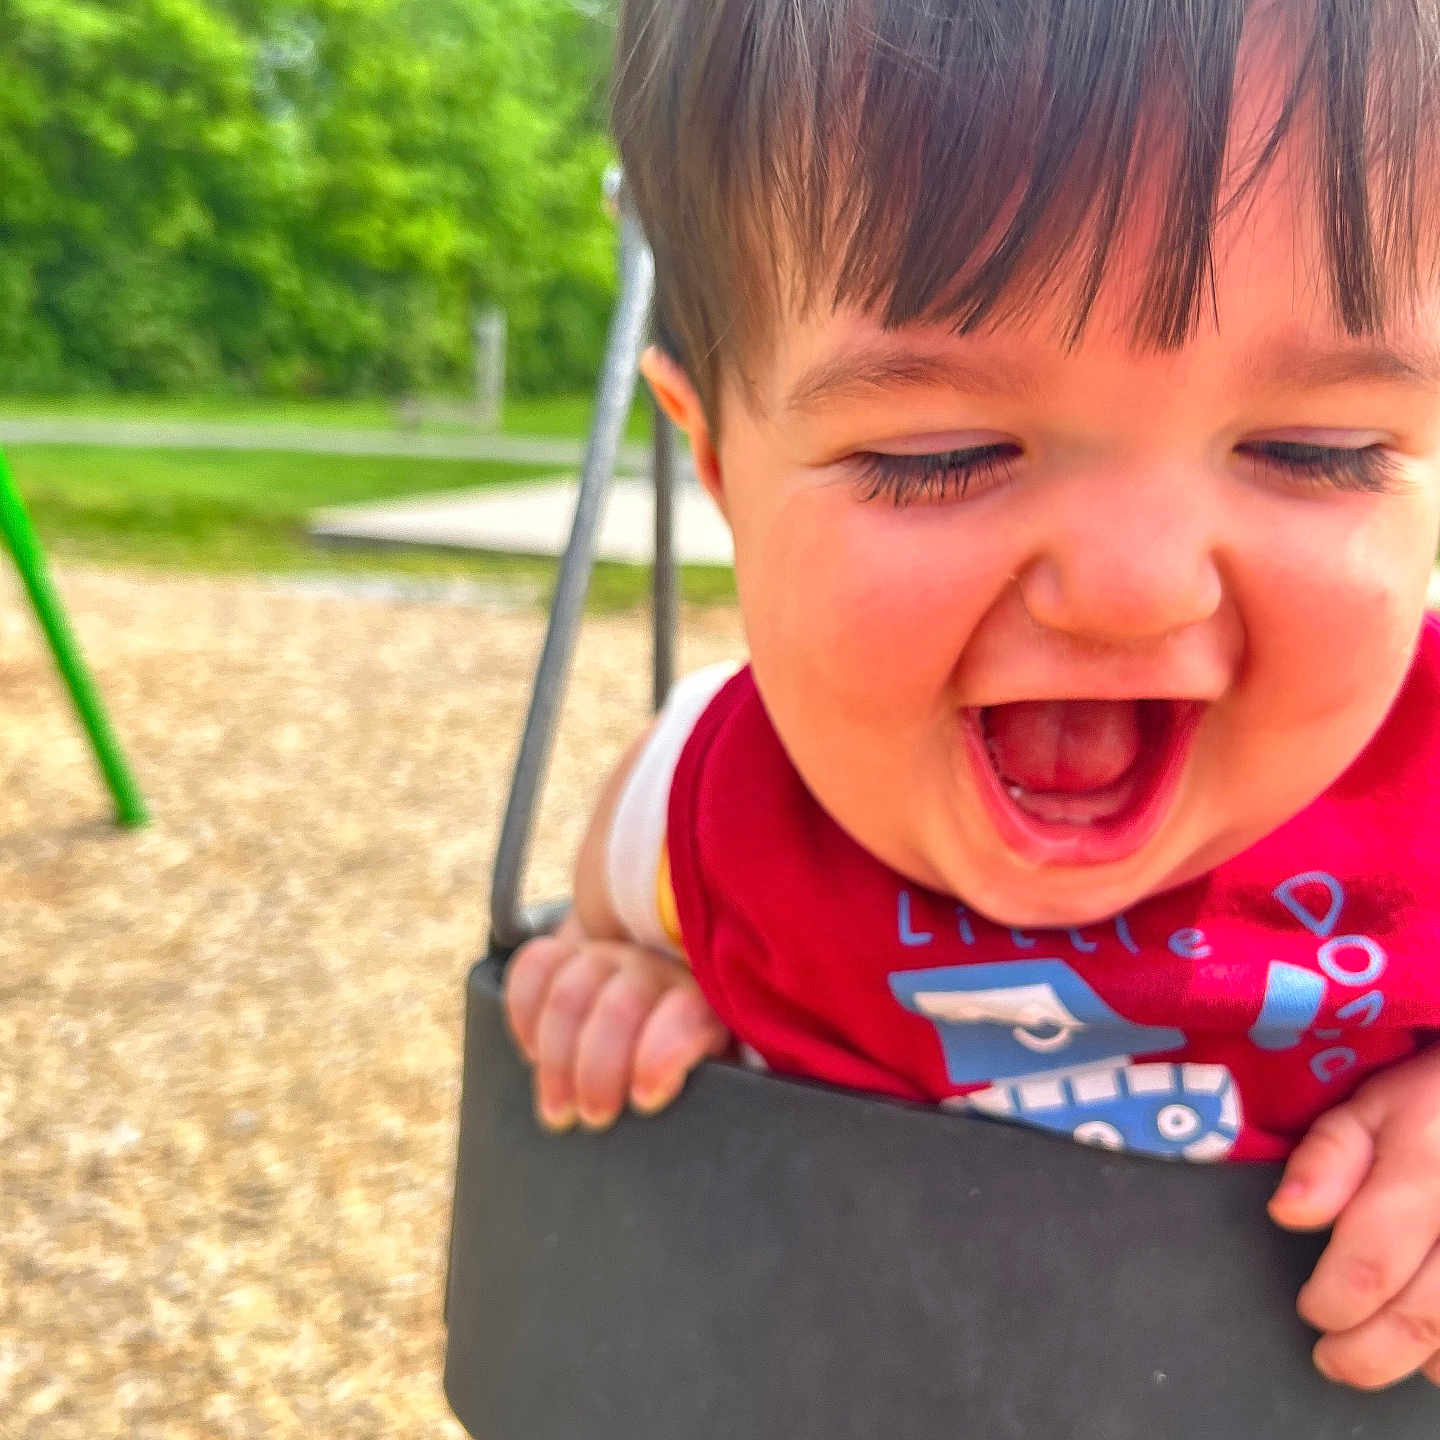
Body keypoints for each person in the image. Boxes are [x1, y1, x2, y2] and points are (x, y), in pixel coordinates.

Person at [506, 0, 1440, 1392]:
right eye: (940, 452)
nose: (1133, 589)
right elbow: (617, 880)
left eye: (1318, 449)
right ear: (714, 463)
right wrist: (626, 975)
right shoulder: (716, 796)